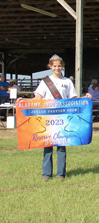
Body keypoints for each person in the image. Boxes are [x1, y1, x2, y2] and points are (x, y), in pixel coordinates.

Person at [16, 54, 92, 182]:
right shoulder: (45, 82)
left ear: (62, 67)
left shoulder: (67, 82)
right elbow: (38, 98)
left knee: (62, 146)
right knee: (47, 146)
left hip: (62, 118)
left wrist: (85, 98)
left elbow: (73, 99)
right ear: (50, 67)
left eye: (59, 66)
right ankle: (46, 174)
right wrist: (23, 101)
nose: (57, 68)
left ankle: (60, 174)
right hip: (47, 119)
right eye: (55, 66)